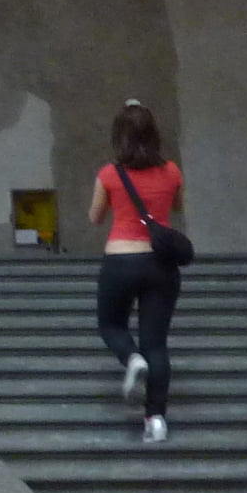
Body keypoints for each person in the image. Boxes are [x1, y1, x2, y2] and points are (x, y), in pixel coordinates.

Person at [88, 101, 184, 445]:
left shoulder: (109, 174)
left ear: (119, 137)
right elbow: (176, 206)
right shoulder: (171, 171)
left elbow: (95, 217)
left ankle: (131, 358)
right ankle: (156, 419)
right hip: (160, 264)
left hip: (120, 260)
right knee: (156, 342)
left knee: (111, 325)